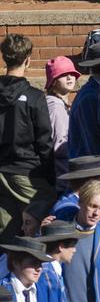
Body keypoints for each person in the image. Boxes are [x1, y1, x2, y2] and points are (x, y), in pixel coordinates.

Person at [0, 35, 54, 239]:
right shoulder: (34, 97)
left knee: (6, 234)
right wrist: (50, 177)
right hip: (29, 173)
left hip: (2, 171)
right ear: (28, 60)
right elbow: (44, 142)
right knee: (47, 222)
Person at [44, 56, 78, 184]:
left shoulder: (57, 103)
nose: (69, 77)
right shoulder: (56, 106)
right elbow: (60, 146)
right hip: (62, 175)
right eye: (63, 74)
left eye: (72, 73)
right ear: (53, 81)